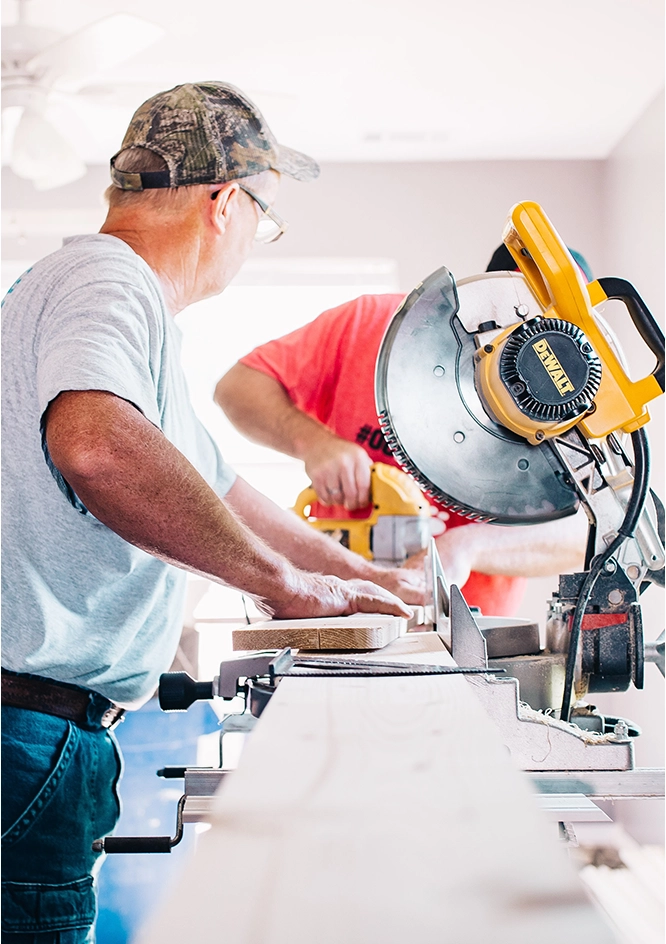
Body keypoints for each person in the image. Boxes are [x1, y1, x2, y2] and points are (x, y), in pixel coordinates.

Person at [1, 82, 423, 942]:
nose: (254, 244)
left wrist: (354, 576)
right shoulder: (106, 278)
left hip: (36, 735)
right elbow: (99, 446)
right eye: (266, 220)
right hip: (29, 731)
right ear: (225, 202)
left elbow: (221, 487)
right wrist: (281, 584)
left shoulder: (98, 299)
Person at [215, 246, 590, 616]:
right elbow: (237, 388)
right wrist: (313, 442)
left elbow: (585, 533)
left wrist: (467, 545)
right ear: (484, 293)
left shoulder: (573, 405)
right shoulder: (372, 324)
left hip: (467, 627)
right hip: (335, 603)